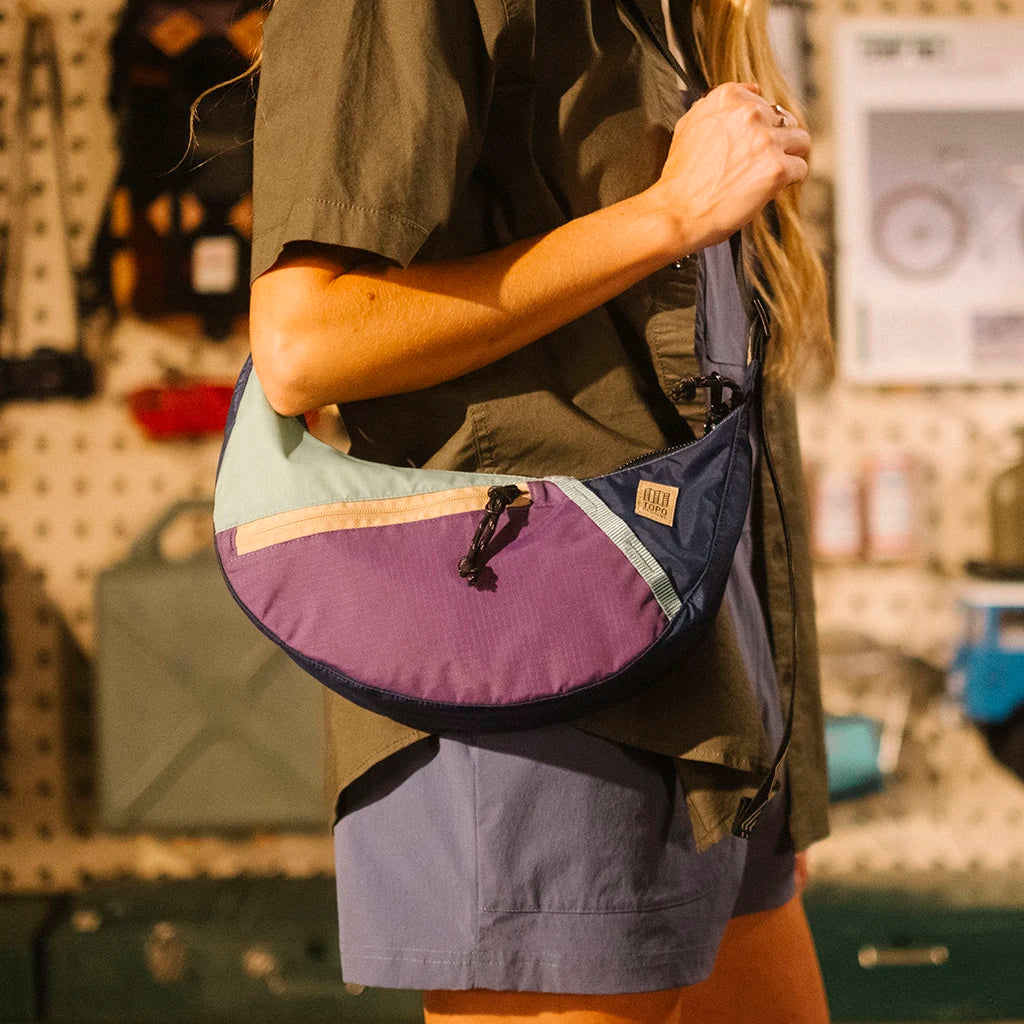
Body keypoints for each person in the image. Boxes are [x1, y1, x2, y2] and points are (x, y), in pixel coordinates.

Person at [242, 0, 833, 1020]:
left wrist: (780, 764)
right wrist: (669, 214)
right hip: (540, 669)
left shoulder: (676, 17)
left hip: (707, 684)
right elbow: (306, 343)